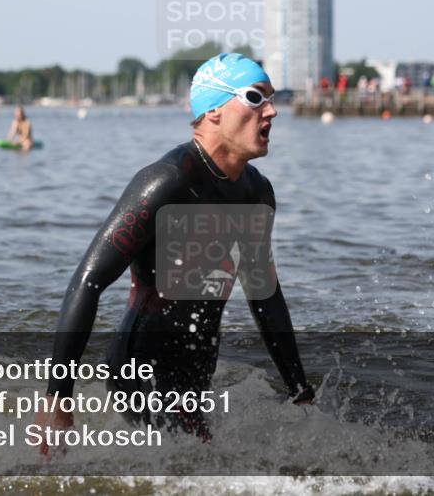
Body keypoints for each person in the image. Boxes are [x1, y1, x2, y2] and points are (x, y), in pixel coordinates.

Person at [34, 52, 314, 453]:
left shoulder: (257, 192)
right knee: (202, 465)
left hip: (197, 368)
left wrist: (299, 388)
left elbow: (263, 294)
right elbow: (88, 280)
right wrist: (59, 398)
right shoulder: (167, 182)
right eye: (256, 97)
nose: (272, 111)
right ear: (214, 111)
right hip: (141, 365)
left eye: (271, 99)